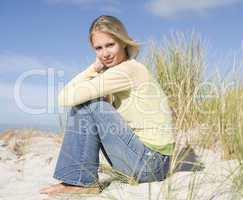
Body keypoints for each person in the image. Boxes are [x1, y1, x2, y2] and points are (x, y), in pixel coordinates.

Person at [39, 15, 175, 195]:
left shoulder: (126, 70)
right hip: (153, 162)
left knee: (90, 105)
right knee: (93, 103)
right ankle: (77, 178)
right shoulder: (127, 69)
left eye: (110, 45)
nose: (105, 54)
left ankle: (80, 181)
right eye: (98, 48)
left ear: (123, 42)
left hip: (151, 164)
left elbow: (64, 97)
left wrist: (93, 69)